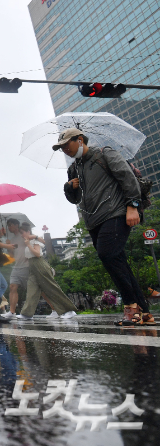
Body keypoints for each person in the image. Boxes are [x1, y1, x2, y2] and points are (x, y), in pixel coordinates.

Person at [55, 128, 155, 326]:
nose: (65, 149)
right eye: (61, 147)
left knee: (107, 254)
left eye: (67, 144)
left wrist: (133, 206)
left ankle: (130, 305)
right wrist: (69, 187)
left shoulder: (104, 154)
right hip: (94, 221)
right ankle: (143, 311)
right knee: (117, 261)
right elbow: (74, 199)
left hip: (116, 213)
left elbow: (126, 177)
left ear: (80, 140)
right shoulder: (74, 169)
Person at [17, 223, 78, 320]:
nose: (21, 234)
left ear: (28, 231)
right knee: (31, 288)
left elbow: (37, 254)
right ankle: (26, 314)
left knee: (51, 287)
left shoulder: (33, 241)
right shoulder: (26, 241)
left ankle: (69, 310)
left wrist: (29, 245)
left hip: (40, 264)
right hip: (32, 266)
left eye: (22, 232)